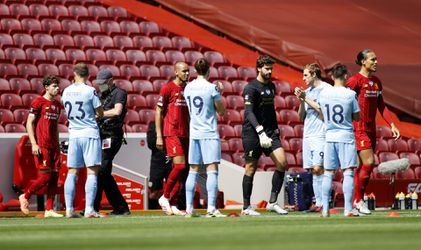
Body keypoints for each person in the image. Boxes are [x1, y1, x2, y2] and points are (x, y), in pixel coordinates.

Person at [347, 49, 400, 215]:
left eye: (376, 59)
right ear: (363, 61)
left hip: (371, 129)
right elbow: (344, 101)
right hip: (358, 128)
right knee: (369, 162)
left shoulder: (376, 82)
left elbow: (381, 106)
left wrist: (391, 124)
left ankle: (355, 202)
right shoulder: (354, 81)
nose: (376, 62)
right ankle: (357, 200)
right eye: (372, 59)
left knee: (360, 166)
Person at [241, 55, 289, 216]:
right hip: (253, 133)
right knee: (251, 167)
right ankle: (246, 207)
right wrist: (260, 131)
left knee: (282, 163)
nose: (270, 71)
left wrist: (274, 131)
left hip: (271, 132)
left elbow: (270, 112)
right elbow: (248, 112)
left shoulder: (272, 86)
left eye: (271, 68)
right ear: (259, 68)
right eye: (267, 68)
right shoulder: (251, 88)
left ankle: (272, 202)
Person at [183, 58, 226, 217]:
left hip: (194, 133)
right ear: (209, 70)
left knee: (192, 170)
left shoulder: (188, 87)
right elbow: (221, 111)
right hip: (209, 132)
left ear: (195, 70)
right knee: (212, 169)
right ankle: (211, 208)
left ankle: (188, 208)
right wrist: (220, 92)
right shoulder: (211, 88)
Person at [61, 63, 104, 218]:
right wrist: (96, 114)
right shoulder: (90, 90)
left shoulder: (65, 91)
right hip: (89, 133)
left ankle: (69, 209)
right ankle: (89, 209)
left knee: (72, 171)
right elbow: (100, 112)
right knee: (92, 171)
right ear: (88, 75)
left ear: (74, 74)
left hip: (73, 134)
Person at [318, 64, 360, 217]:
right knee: (348, 172)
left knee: (328, 173)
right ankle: (348, 209)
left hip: (329, 137)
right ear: (346, 76)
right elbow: (357, 117)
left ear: (332, 77)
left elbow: (322, 115)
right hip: (346, 136)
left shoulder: (323, 94)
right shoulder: (350, 94)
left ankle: (325, 210)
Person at [19, 75, 63, 217]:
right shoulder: (38, 102)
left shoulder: (57, 105)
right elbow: (29, 123)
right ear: (46, 87)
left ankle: (49, 209)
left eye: (57, 86)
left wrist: (58, 144)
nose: (57, 88)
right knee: (46, 177)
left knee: (55, 177)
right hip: (42, 144)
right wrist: (33, 143)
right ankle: (25, 195)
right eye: (54, 86)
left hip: (54, 145)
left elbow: (55, 126)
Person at [93, 68, 130, 215]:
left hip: (113, 135)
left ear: (110, 81)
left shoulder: (119, 93)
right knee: (104, 173)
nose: (100, 86)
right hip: (101, 134)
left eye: (102, 83)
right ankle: (121, 208)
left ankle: (93, 207)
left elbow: (117, 111)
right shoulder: (100, 94)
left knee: (102, 170)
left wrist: (98, 115)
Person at [155, 61, 190, 215]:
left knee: (181, 170)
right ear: (176, 72)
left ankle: (174, 203)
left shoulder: (189, 89)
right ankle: (165, 197)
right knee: (180, 166)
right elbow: (158, 112)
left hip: (186, 133)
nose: (187, 74)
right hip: (172, 132)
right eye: (184, 71)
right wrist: (159, 136)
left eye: (188, 71)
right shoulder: (167, 88)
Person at [294, 63, 330, 212]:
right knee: (313, 170)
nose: (303, 78)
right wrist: (302, 100)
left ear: (314, 74)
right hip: (308, 134)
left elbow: (322, 111)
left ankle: (323, 203)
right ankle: (318, 202)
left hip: (320, 134)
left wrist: (306, 98)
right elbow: (300, 115)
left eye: (306, 75)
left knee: (318, 169)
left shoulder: (326, 89)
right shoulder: (307, 91)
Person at [146, 122, 172, 209]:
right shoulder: (153, 125)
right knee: (154, 192)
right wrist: (160, 136)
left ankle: (173, 208)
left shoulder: (171, 124)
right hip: (157, 162)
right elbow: (150, 144)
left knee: (173, 189)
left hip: (170, 160)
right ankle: (151, 211)